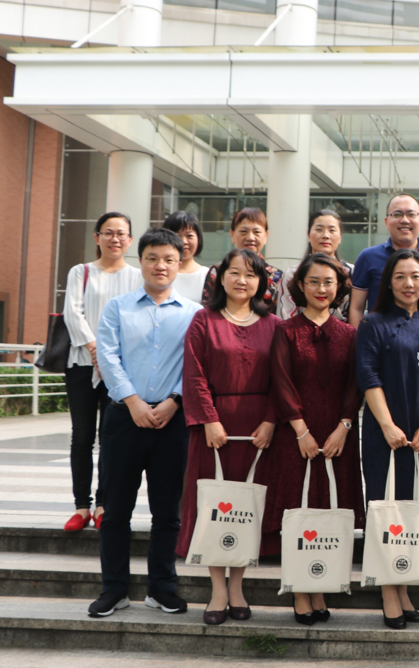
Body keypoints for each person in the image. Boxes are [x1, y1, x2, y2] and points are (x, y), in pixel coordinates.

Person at [89, 228, 202, 618]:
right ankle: (114, 589)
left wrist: (174, 401)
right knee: (115, 510)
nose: (160, 266)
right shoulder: (117, 308)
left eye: (169, 259)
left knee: (167, 512)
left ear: (179, 264)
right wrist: (133, 402)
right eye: (153, 258)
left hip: (173, 421)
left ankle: (162, 588)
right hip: (124, 418)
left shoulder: (194, 314)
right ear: (141, 261)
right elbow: (107, 357)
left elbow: (195, 365)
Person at [177, 249, 279, 625]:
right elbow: (194, 373)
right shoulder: (204, 320)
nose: (241, 280)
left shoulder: (274, 325)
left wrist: (271, 421)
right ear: (221, 278)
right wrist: (208, 419)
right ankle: (218, 589)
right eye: (234, 272)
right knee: (214, 505)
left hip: (258, 430)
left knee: (246, 507)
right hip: (215, 427)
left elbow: (282, 380)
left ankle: (238, 585)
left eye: (250, 274)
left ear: (261, 283)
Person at [358, 249, 419, 629]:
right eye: (400, 277)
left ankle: (406, 584)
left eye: (415, 276)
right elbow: (368, 375)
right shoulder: (373, 324)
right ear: (388, 282)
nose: (408, 284)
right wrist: (386, 425)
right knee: (386, 508)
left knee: (418, 508)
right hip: (385, 432)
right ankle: (388, 591)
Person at [270, 252, 363, 626]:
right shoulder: (285, 330)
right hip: (296, 434)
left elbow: (355, 384)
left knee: (330, 511)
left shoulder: (350, 334)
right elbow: (280, 382)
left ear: (339, 288)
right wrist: (301, 431)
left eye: (329, 282)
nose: (321, 289)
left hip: (338, 434)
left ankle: (321, 586)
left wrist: (344, 425)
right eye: (314, 282)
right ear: (300, 287)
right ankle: (299, 590)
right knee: (298, 510)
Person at [62, 211, 143, 532]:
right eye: (108, 232)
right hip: (82, 365)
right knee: (82, 437)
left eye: (121, 233)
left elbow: (135, 320)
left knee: (111, 439)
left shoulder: (137, 276)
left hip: (120, 370)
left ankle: (103, 504)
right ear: (97, 237)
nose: (115, 239)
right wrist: (96, 349)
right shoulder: (80, 272)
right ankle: (81, 507)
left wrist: (109, 356)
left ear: (130, 240)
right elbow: (72, 314)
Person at [348, 194, 419, 326]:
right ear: (386, 221)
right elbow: (356, 307)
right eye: (397, 214)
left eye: (411, 214)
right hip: (377, 334)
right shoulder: (368, 257)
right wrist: (360, 336)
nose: (404, 220)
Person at [202, 208, 283, 313]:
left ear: (266, 236)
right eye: (243, 231)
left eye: (256, 232)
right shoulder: (217, 271)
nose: (250, 237)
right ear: (232, 235)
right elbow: (208, 310)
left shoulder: (277, 276)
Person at [277, 209, 352, 321]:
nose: (325, 235)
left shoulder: (352, 272)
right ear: (308, 235)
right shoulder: (292, 274)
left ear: (340, 237)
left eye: (332, 230)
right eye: (319, 229)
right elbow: (286, 317)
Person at [163, 211, 207, 303]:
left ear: (198, 238)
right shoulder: (159, 272)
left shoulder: (208, 276)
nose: (184, 241)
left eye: (189, 236)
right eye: (178, 236)